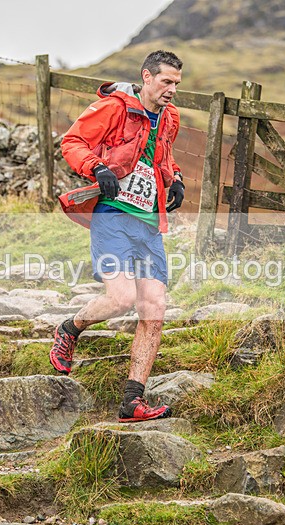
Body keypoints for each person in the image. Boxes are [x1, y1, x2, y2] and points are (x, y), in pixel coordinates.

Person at [50, 50, 186, 423]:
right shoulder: (115, 108)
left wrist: (176, 178)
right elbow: (72, 142)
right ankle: (70, 328)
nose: (172, 90)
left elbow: (163, 157)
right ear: (147, 77)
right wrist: (96, 167)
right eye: (166, 82)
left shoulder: (170, 117)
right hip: (112, 216)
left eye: (176, 83)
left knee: (154, 308)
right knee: (122, 298)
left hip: (149, 223)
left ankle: (132, 402)